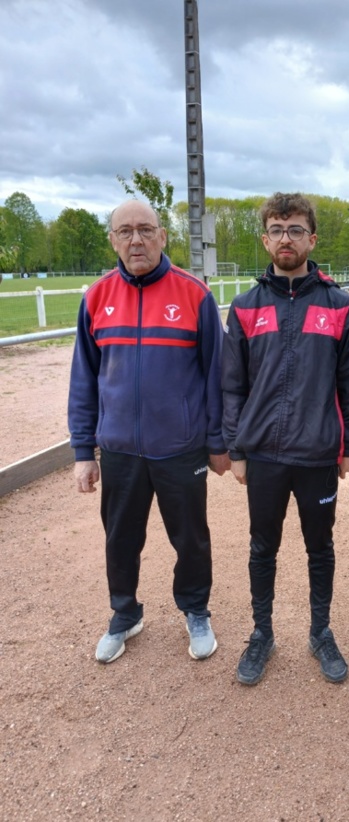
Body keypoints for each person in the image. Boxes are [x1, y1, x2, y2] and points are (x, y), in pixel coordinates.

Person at [68, 199, 230, 664]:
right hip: (119, 448)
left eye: (145, 230)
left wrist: (217, 442)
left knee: (191, 538)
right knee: (120, 538)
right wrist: (84, 450)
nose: (135, 240)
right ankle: (125, 613)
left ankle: (196, 609)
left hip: (180, 447)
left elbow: (216, 376)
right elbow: (84, 380)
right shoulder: (96, 298)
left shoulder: (193, 294)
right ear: (113, 240)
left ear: (162, 236)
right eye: (125, 232)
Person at [222, 192, 349, 685]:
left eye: (296, 230)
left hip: (318, 454)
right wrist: (236, 448)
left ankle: (320, 631)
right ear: (265, 238)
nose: (287, 238)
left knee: (319, 546)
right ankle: (262, 633)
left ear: (311, 238)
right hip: (262, 454)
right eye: (278, 230)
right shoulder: (243, 307)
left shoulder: (340, 306)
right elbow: (231, 385)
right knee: (263, 547)